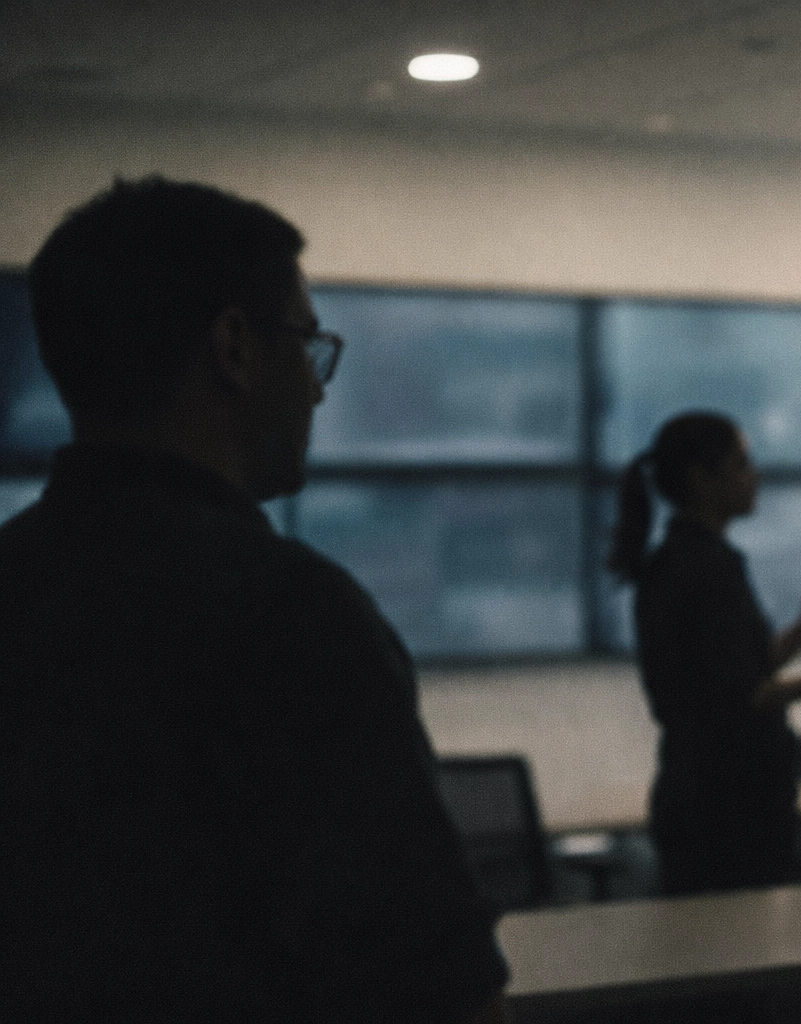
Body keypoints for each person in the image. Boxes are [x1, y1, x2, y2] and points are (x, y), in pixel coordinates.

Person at [0, 177, 509, 1023]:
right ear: (234, 347)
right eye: (306, 344)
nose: (315, 388)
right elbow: (432, 976)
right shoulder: (289, 614)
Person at [608, 411, 801, 896]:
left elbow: (741, 670)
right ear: (701, 479)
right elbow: (737, 697)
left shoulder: (689, 562)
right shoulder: (701, 570)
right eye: (741, 464)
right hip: (725, 806)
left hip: (714, 798)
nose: (755, 476)